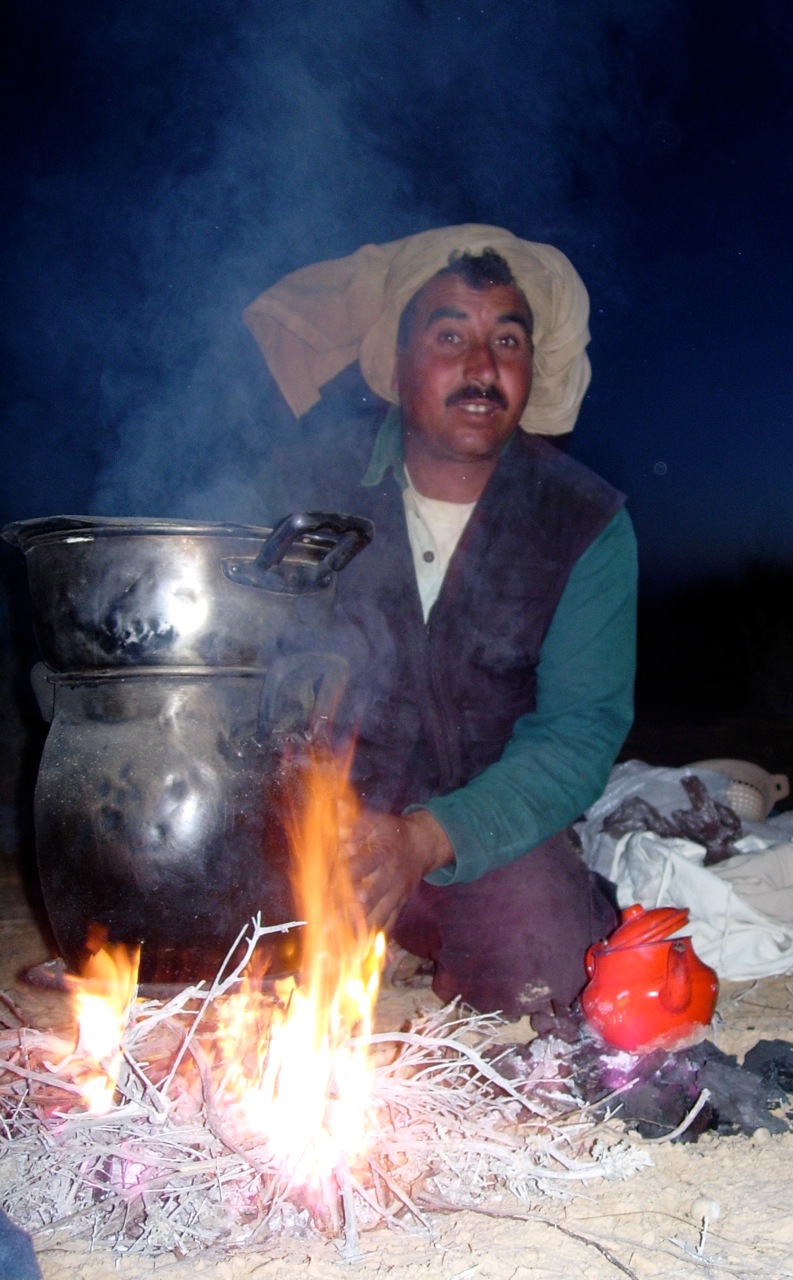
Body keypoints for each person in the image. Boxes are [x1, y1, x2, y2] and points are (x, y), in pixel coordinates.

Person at [245, 225, 637, 1017]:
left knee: (548, 968)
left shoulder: (585, 521)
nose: (482, 367)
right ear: (398, 364)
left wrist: (426, 837)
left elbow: (579, 734)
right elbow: (247, 675)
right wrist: (321, 814)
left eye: (508, 340)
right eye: (450, 333)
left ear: (532, 369)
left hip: (479, 837)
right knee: (201, 923)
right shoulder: (304, 489)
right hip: (328, 832)